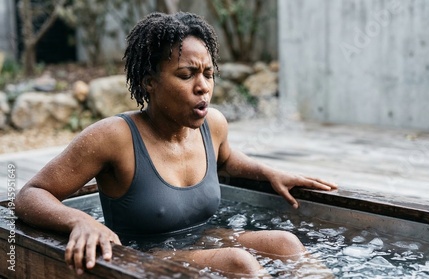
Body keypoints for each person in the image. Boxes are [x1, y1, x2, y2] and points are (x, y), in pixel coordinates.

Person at [15, 11, 337, 277]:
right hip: (141, 256)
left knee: (286, 242)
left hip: (205, 237)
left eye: (208, 74)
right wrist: (80, 221)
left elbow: (223, 159)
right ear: (150, 83)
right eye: (186, 75)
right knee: (240, 264)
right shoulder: (114, 137)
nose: (203, 88)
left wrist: (269, 172)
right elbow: (30, 195)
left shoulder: (213, 124)